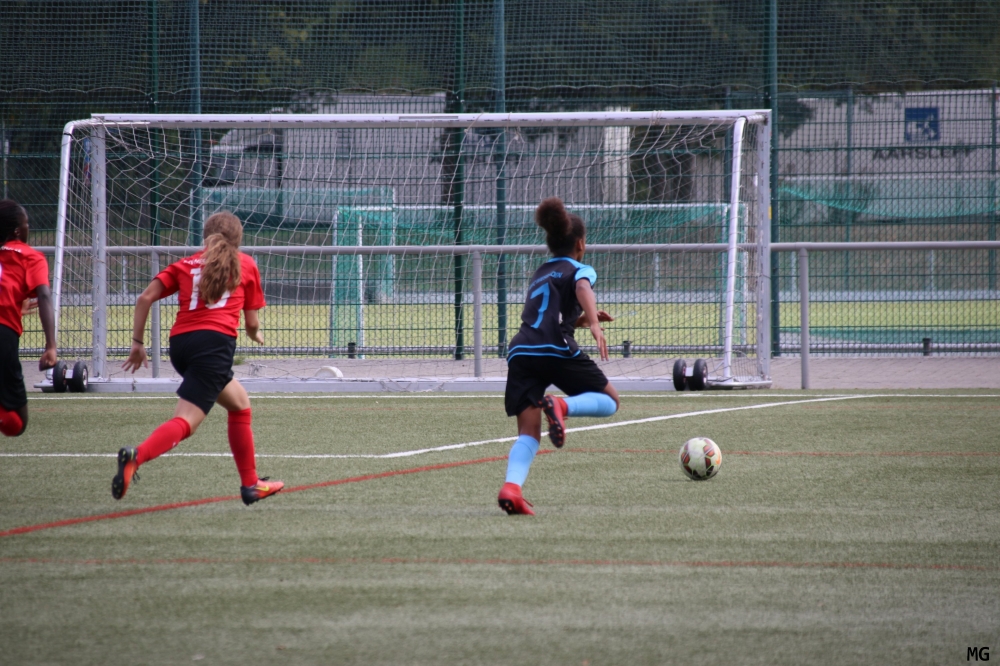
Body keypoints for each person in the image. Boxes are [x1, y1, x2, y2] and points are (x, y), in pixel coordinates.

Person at [116, 211, 283, 505]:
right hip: (213, 346)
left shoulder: (185, 264)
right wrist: (254, 334)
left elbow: (144, 298)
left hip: (181, 346)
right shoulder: (245, 264)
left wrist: (138, 343)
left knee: (239, 404)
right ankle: (136, 456)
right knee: (186, 422)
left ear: (204, 237)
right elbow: (251, 322)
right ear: (238, 240)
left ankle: (251, 484)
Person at [498, 197, 621, 515]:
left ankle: (512, 489)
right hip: (554, 347)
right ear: (580, 244)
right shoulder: (579, 268)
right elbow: (582, 288)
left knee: (528, 433)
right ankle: (562, 406)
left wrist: (579, 321)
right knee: (610, 401)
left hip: (522, 351)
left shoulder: (541, 272)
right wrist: (593, 322)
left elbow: (547, 313)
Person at [0, 200, 57, 437]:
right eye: (26, 224)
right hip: (3, 333)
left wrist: (12, 306)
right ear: (17, 231)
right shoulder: (30, 256)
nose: (28, 228)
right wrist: (51, 345)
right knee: (17, 423)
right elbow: (43, 295)